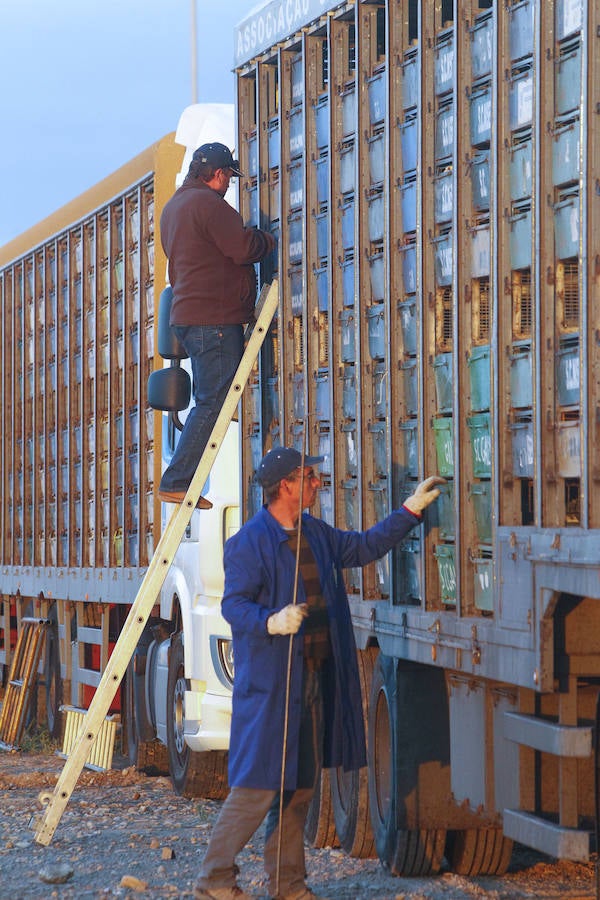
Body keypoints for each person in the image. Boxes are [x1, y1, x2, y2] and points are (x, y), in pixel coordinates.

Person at [195, 446, 444, 900]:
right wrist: (270, 620)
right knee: (258, 788)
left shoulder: (316, 534)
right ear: (284, 486)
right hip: (272, 690)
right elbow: (234, 606)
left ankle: (288, 886)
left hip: (313, 681)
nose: (317, 482)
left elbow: (363, 546)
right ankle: (213, 880)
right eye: (308, 476)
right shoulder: (249, 543)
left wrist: (409, 511)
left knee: (299, 789)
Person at [158, 142, 276, 509]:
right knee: (212, 402)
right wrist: (268, 239)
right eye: (228, 177)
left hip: (188, 318)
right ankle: (177, 481)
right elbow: (242, 248)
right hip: (215, 320)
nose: (228, 185)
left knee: (209, 400)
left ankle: (179, 480)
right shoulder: (210, 206)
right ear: (219, 173)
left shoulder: (173, 208)